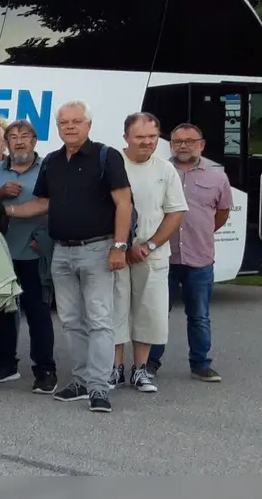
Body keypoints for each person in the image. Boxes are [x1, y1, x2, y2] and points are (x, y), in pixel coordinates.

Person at [7, 101, 132, 413]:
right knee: (72, 320)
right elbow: (42, 203)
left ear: (88, 125)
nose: (70, 127)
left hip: (99, 249)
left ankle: (99, 388)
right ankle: (79, 381)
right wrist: (5, 211)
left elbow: (124, 204)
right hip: (62, 251)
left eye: (77, 121)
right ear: (58, 127)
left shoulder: (107, 156)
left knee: (100, 320)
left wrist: (119, 247)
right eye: (64, 123)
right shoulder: (51, 162)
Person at [150, 123, 230, 382]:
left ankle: (201, 364)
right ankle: (150, 364)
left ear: (201, 144)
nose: (183, 145)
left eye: (189, 141)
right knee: (157, 314)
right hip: (164, 256)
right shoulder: (160, 172)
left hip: (200, 258)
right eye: (177, 141)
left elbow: (222, 214)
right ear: (170, 144)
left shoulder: (217, 178)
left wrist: (201, 232)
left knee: (199, 315)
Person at [113, 112, 187, 393]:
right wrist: (123, 244)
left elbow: (175, 212)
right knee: (114, 310)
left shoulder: (165, 170)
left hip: (152, 253)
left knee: (150, 311)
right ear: (126, 138)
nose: (147, 142)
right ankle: (114, 368)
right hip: (117, 251)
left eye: (153, 137)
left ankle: (140, 370)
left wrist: (150, 245)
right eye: (140, 137)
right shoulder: (112, 163)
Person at [0, 119, 56, 393]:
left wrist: (45, 241)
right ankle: (6, 365)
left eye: (25, 136)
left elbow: (55, 206)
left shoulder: (47, 169)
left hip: (34, 252)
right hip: (2, 252)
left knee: (38, 313)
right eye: (13, 137)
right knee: (2, 309)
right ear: (6, 143)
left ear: (35, 141)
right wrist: (0, 196)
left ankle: (45, 370)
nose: (19, 141)